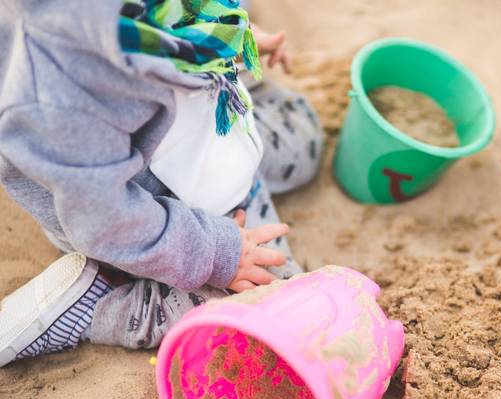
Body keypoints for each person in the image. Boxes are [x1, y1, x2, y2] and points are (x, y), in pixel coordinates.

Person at [0, 0, 323, 366]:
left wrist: (230, 36)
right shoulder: (55, 94)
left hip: (205, 131)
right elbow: (107, 222)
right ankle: (98, 305)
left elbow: (185, 12)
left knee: (306, 140)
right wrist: (217, 253)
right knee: (274, 299)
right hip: (158, 216)